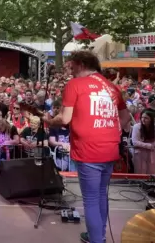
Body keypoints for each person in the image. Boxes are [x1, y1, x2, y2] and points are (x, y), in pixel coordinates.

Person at [44, 51, 130, 243]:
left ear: (81, 64)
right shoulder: (111, 86)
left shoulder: (75, 84)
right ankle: (99, 234)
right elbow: (125, 119)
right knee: (101, 194)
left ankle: (96, 239)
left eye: (72, 66)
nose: (70, 70)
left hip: (88, 149)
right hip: (109, 148)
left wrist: (49, 121)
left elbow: (65, 118)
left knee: (91, 199)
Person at [131, 110, 155, 174]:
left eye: (146, 118)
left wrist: (152, 145)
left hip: (153, 154)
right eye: (142, 117)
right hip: (140, 154)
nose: (143, 119)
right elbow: (134, 141)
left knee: (152, 174)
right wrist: (148, 145)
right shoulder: (136, 127)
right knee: (140, 173)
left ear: (151, 119)